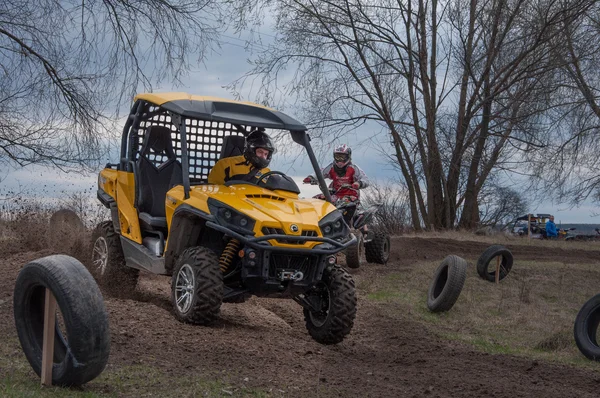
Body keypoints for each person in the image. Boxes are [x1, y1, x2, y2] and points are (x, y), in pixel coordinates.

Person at [303, 144, 370, 200]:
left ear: (348, 156)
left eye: (342, 157)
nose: (340, 160)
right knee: (316, 199)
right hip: (334, 194)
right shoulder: (331, 167)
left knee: (347, 205)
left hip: (351, 195)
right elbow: (319, 173)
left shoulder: (354, 168)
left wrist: (359, 183)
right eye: (337, 157)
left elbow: (365, 180)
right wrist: (311, 177)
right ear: (334, 156)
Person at [208, 129, 274, 185]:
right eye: (260, 152)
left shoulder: (267, 173)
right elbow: (213, 190)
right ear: (251, 150)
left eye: (266, 154)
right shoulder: (225, 165)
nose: (263, 157)